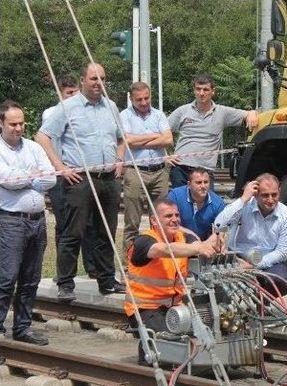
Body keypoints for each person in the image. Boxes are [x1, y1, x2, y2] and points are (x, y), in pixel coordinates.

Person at [35, 62, 125, 302]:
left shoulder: (111, 106)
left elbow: (121, 138)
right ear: (83, 80)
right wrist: (60, 168)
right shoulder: (68, 107)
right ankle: (65, 283)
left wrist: (120, 159)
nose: (99, 84)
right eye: (94, 79)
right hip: (80, 180)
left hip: (108, 179)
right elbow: (43, 136)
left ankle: (106, 280)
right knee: (73, 233)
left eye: (103, 79)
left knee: (106, 232)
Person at [125, 198, 221, 360]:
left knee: (207, 332)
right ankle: (149, 357)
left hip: (176, 306)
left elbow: (201, 244)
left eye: (177, 215)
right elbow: (164, 249)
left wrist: (216, 242)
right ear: (154, 220)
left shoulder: (183, 238)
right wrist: (198, 247)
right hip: (145, 308)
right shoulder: (144, 241)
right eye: (168, 216)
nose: (175, 219)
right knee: (174, 343)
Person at [0, 101, 56, 345]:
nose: (18, 128)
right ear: (1, 124)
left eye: (21, 123)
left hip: (37, 221)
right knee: (7, 276)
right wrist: (32, 176)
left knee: (30, 278)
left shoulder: (34, 147)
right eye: (12, 124)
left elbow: (51, 178)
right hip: (10, 221)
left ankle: (23, 327)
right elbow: (6, 180)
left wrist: (26, 177)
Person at [41, 75, 98, 280]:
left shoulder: (83, 112)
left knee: (89, 223)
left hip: (81, 173)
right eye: (69, 93)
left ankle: (92, 267)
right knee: (65, 224)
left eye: (76, 93)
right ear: (60, 93)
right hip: (60, 174)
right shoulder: (52, 113)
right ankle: (64, 271)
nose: (73, 97)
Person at [167, 73, 259, 188]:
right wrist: (166, 155)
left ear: (212, 91)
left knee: (207, 205)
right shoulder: (182, 111)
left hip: (205, 172)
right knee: (180, 205)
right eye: (198, 89)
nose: (201, 93)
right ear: (194, 90)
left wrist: (252, 113)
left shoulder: (222, 112)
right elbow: (161, 133)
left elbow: (248, 114)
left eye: (205, 89)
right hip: (181, 169)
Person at [214, 173, 287, 298]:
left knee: (283, 279)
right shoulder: (244, 205)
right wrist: (243, 199)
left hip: (266, 260)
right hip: (238, 256)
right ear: (255, 194)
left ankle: (262, 302)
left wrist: (254, 265)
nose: (271, 200)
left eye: (274, 194)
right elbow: (219, 224)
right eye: (265, 195)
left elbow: (283, 252)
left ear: (280, 191)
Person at [119, 81, 173, 256]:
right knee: (132, 221)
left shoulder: (158, 115)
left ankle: (159, 260)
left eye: (146, 98)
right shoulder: (124, 116)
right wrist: (156, 135)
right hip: (135, 171)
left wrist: (140, 139)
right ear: (131, 99)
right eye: (139, 99)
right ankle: (129, 264)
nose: (143, 103)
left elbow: (168, 140)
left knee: (160, 219)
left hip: (159, 172)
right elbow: (129, 142)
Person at [167, 167, 226, 241]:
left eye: (206, 182)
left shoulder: (218, 203)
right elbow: (167, 223)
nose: (203, 186)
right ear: (189, 184)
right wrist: (191, 235)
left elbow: (221, 230)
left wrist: (206, 244)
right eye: (199, 182)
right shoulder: (174, 196)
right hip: (177, 240)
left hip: (204, 243)